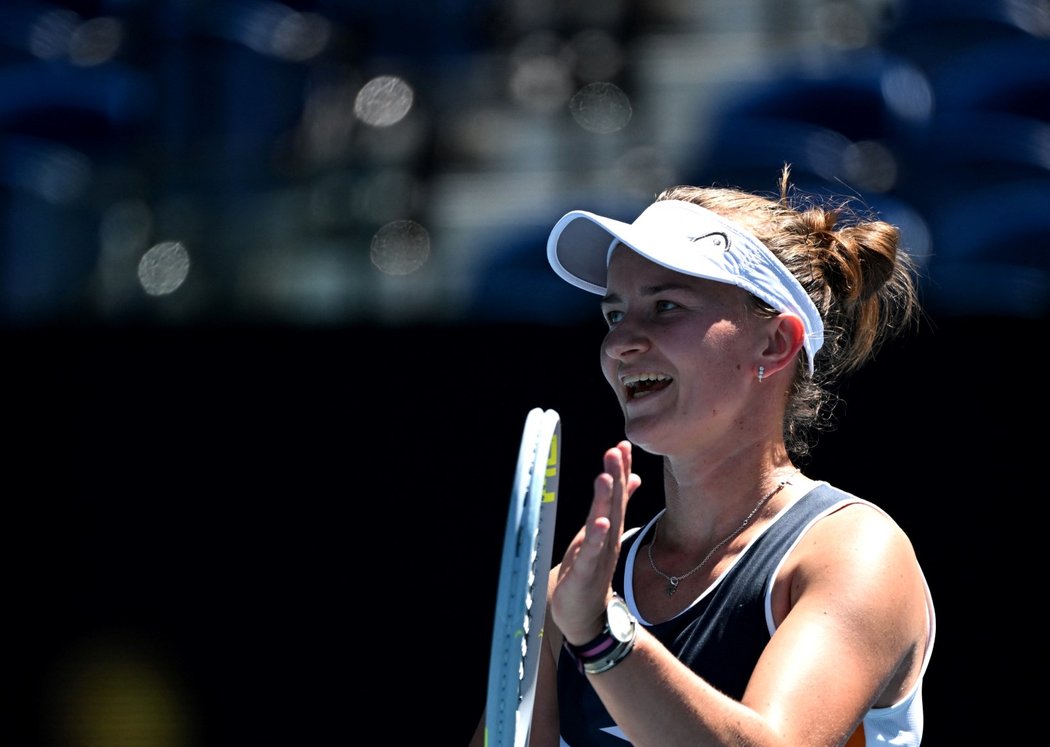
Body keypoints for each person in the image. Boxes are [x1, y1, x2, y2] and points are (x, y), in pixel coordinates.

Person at [469, 166, 936, 747]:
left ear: (775, 342)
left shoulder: (856, 553)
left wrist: (601, 638)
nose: (620, 342)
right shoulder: (581, 588)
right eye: (614, 314)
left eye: (665, 306)